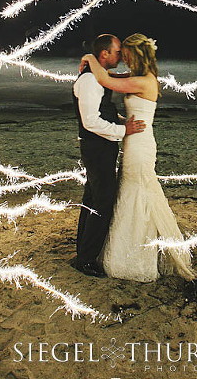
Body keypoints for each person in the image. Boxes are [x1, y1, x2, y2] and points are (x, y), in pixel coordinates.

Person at [81, 34, 196, 282]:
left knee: (138, 190)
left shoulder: (144, 81)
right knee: (130, 190)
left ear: (137, 55)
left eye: (126, 53)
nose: (122, 58)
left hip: (140, 143)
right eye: (120, 53)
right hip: (132, 139)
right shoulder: (139, 78)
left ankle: (135, 253)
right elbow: (110, 79)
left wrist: (90, 56)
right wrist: (122, 123)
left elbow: (104, 80)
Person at [73, 34, 146, 278]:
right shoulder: (90, 81)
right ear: (104, 54)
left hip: (100, 145)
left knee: (93, 199)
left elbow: (104, 112)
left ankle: (82, 252)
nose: (120, 57)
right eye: (117, 52)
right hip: (96, 146)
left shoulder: (98, 78)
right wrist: (123, 130)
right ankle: (86, 259)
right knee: (103, 202)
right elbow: (91, 121)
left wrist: (122, 123)